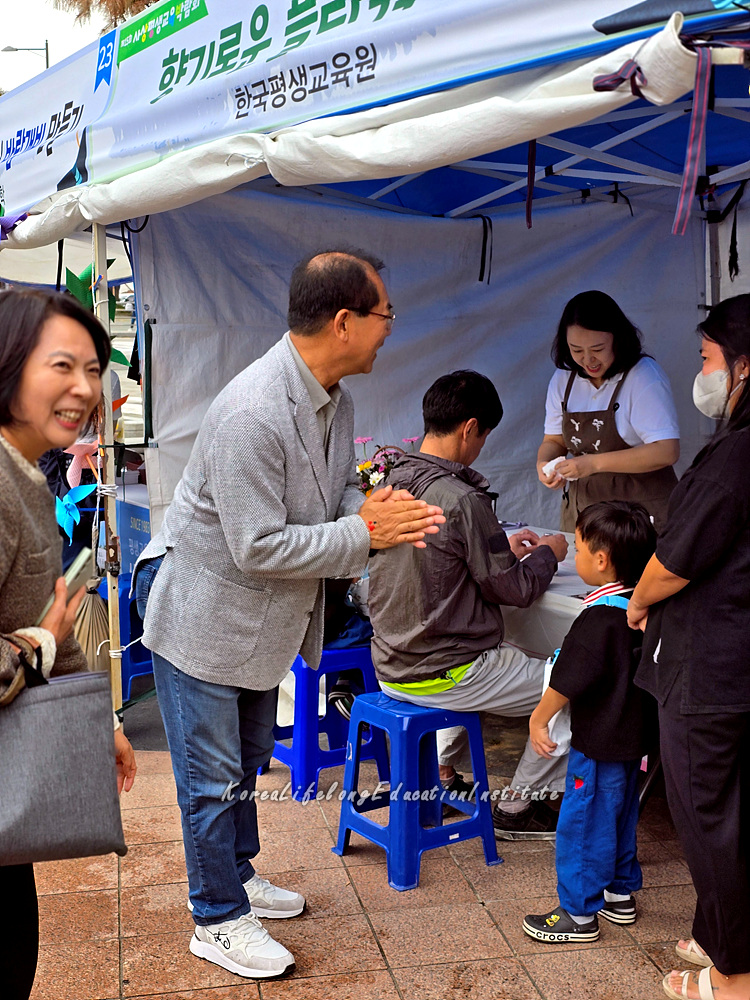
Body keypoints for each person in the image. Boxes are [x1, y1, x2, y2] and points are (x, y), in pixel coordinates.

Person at [134, 249, 445, 980]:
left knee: (242, 766)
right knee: (211, 780)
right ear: (344, 322)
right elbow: (256, 545)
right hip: (205, 617)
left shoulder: (336, 398)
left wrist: (368, 510)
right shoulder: (253, 412)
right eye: (385, 315)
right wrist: (366, 533)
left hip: (257, 623)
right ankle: (214, 918)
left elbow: (331, 499)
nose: (389, 328)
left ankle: (235, 878)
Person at [0, 289, 136, 1000]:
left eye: (93, 368)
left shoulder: (23, 472)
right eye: (62, 365)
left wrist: (100, 721)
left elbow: (50, 609)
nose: (85, 388)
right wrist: (37, 648)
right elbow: (45, 630)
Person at [367, 370, 570, 839]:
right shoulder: (460, 497)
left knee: (496, 658)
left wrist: (501, 545)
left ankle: (439, 772)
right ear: (469, 428)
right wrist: (547, 554)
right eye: (484, 436)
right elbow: (514, 591)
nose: (481, 447)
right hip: (447, 671)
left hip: (393, 665)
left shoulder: (389, 482)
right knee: (576, 684)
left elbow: (447, 562)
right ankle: (519, 808)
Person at [627, 294, 750, 1000]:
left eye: (706, 359)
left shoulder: (736, 453)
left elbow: (675, 559)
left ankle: (734, 978)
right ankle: (720, 933)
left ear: (743, 364)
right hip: (731, 661)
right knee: (729, 812)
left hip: (712, 667)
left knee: (708, 817)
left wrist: (639, 600)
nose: (699, 373)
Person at [522, 501, 656, 944]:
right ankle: (620, 892)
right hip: (632, 738)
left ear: (601, 560)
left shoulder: (600, 618)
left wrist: (539, 719)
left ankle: (578, 913)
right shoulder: (644, 608)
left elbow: (570, 677)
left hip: (598, 740)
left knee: (583, 821)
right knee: (619, 813)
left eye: (577, 549)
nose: (575, 558)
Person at [537, 290, 680, 531]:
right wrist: (544, 463)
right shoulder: (563, 379)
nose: (588, 360)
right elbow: (553, 440)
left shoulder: (643, 376)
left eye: (597, 349)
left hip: (640, 516)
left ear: (617, 339)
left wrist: (593, 464)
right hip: (585, 513)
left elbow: (666, 451)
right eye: (577, 350)